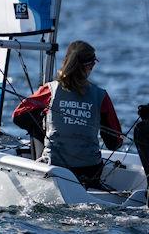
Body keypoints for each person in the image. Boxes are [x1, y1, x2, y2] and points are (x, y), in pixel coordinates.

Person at [12, 41, 123, 188]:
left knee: (35, 121)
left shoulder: (50, 90)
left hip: (55, 168)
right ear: (90, 66)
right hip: (91, 171)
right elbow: (114, 142)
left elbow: (18, 116)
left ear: (66, 61)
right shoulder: (101, 96)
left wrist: (45, 127)